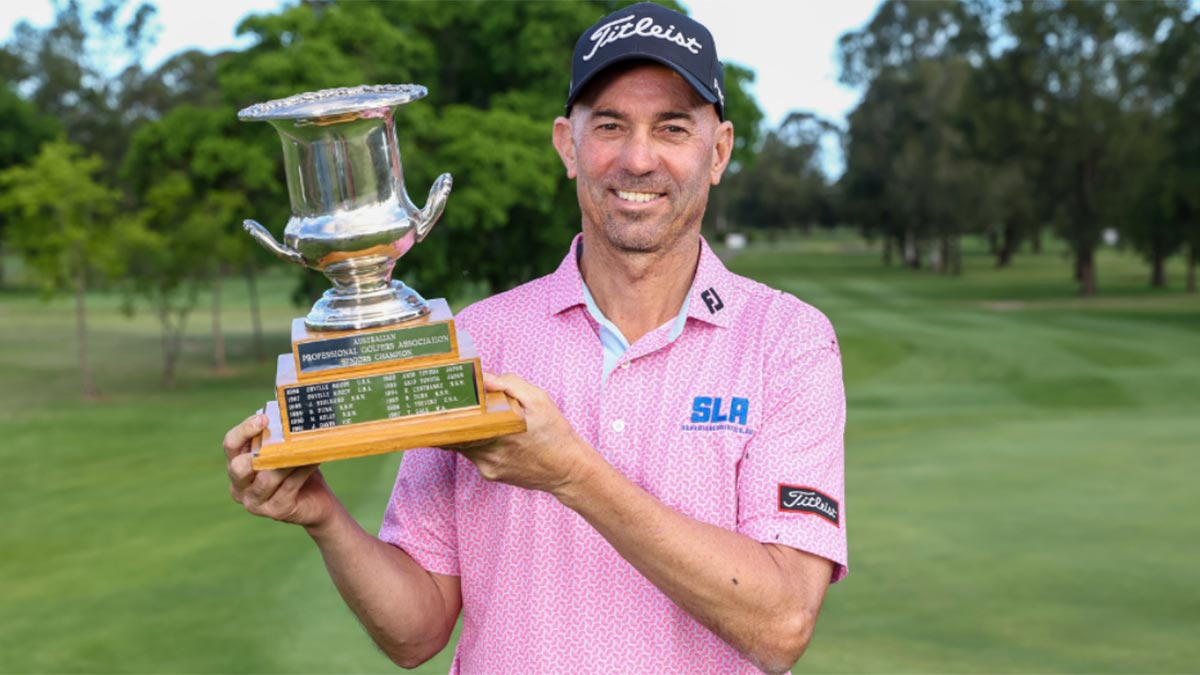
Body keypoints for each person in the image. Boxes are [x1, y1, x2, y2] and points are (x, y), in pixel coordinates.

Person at [223, 3, 847, 674]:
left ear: (718, 150)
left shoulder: (787, 341)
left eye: (672, 127)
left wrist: (572, 472)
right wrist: (324, 517)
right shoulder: (476, 338)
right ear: (566, 145)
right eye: (609, 125)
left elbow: (781, 623)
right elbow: (417, 629)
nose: (638, 158)